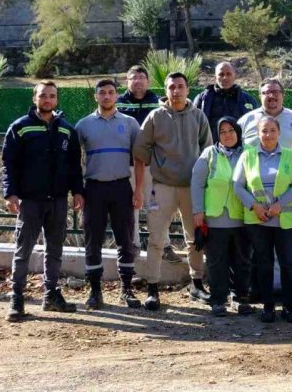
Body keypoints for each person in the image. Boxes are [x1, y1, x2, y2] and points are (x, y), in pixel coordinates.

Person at [1, 81, 84, 322]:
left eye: (52, 96)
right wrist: (10, 193)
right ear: (34, 98)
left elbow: (74, 166)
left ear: (57, 99)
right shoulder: (20, 127)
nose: (47, 100)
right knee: (23, 250)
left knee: (55, 250)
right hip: (30, 201)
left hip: (57, 200)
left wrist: (77, 191)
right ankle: (16, 298)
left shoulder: (67, 130)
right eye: (43, 96)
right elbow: (8, 164)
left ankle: (51, 295)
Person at [133, 72, 213, 310]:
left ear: (188, 90)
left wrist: (202, 181)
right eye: (171, 87)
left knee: (195, 238)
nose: (176, 91)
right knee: (156, 239)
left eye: (180, 87)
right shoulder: (155, 116)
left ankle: (196, 284)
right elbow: (140, 147)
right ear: (166, 91)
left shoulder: (198, 116)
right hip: (163, 187)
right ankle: (153, 288)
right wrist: (159, 165)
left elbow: (207, 150)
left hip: (192, 188)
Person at [74, 79, 144, 310]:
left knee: (125, 240)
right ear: (95, 96)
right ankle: (95, 291)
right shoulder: (83, 125)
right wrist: (77, 191)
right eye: (102, 93)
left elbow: (140, 160)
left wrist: (139, 190)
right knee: (93, 241)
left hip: (122, 188)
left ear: (117, 96)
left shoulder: (130, 123)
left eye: (111, 92)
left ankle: (126, 290)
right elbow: (73, 162)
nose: (106, 96)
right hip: (93, 189)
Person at [233, 116, 292, 323]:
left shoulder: (290, 156)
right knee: (263, 264)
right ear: (258, 133)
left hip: (284, 219)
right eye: (264, 131)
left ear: (279, 133)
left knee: (288, 264)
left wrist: (279, 204)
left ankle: (290, 307)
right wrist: (255, 206)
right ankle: (268, 307)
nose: (268, 135)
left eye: (272, 130)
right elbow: (237, 185)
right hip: (258, 220)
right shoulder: (248, 156)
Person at [190, 117, 254, 317]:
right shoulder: (209, 153)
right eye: (223, 131)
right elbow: (197, 183)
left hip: (243, 217)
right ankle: (218, 300)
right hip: (215, 217)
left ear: (238, 132)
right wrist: (198, 210)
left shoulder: (249, 154)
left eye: (231, 130)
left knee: (242, 260)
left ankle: (240, 297)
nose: (227, 135)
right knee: (217, 262)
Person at [116, 65, 179, 263]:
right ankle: (133, 246)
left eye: (142, 77)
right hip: (127, 166)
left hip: (155, 166)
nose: (138, 81)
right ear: (127, 81)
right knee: (130, 207)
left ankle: (165, 245)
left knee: (156, 207)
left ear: (148, 81)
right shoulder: (118, 103)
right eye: (134, 77)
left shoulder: (158, 103)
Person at [192, 62, 259, 137]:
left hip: (241, 147)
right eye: (221, 74)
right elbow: (193, 127)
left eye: (228, 74)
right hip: (211, 146)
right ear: (215, 77)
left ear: (235, 76)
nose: (225, 77)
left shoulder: (248, 100)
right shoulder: (202, 99)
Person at [238, 78, 292, 149]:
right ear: (260, 96)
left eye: (276, 92)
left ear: (283, 95)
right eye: (267, 92)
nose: (271, 96)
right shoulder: (246, 120)